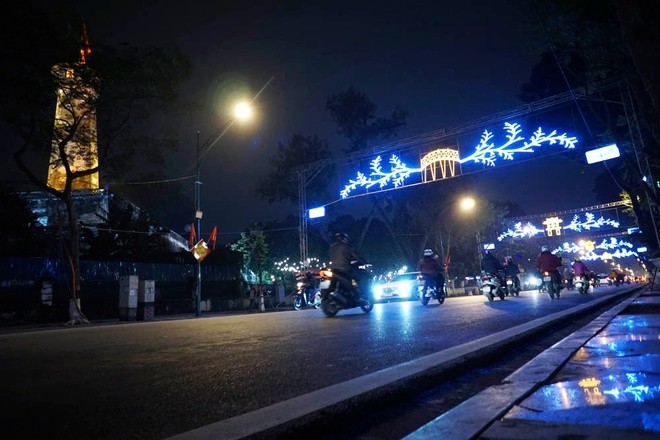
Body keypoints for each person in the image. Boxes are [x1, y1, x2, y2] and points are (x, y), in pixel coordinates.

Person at [329, 232, 367, 300]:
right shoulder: (346, 246)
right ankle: (359, 295)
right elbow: (355, 255)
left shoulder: (332, 247)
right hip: (344, 268)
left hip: (333, 269)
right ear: (344, 238)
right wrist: (362, 261)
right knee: (359, 277)